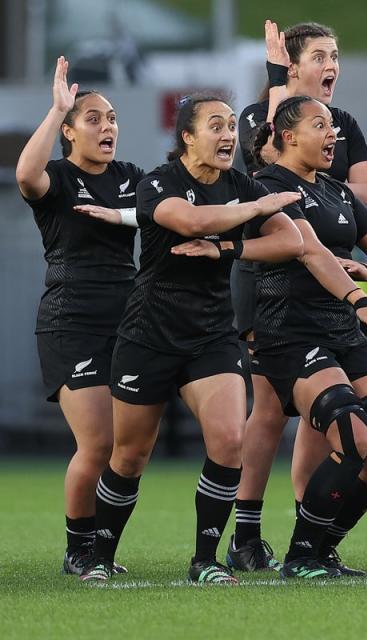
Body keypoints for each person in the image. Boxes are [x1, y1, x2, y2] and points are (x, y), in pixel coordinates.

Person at [79, 94, 305, 584]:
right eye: (215, 126)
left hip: (211, 335)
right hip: (149, 334)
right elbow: (190, 221)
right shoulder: (158, 183)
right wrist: (257, 206)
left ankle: (205, 560)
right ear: (187, 137)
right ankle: (100, 554)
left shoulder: (238, 185)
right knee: (130, 454)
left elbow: (292, 240)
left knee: (229, 441)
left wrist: (230, 246)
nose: (228, 136)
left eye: (230, 126)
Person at [228, 20, 367, 571]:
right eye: (320, 55)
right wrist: (283, 99)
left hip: (327, 282)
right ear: (291, 67)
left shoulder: (341, 124)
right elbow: (269, 166)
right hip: (269, 280)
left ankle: (308, 525)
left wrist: (326, 177)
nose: (332, 66)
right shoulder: (259, 115)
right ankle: (248, 532)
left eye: (336, 55)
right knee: (270, 407)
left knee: (316, 410)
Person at [16, 57, 142, 575]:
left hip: (130, 321)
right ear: (69, 132)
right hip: (72, 321)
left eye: (111, 118)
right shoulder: (60, 179)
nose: (107, 126)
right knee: (98, 443)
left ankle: (101, 547)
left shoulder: (131, 177)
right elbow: (26, 175)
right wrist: (56, 109)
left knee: (128, 448)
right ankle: (79, 550)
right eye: (93, 118)